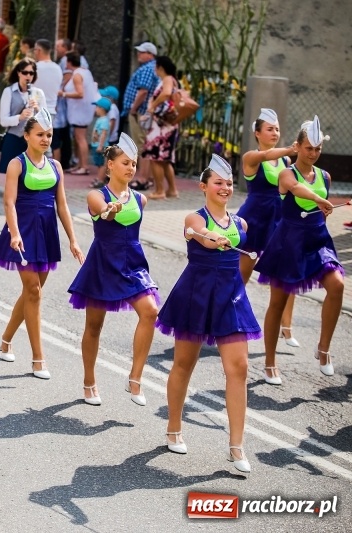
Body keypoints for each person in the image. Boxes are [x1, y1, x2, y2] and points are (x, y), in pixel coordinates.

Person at [157, 154, 257, 474]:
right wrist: (209, 237)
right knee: (184, 363)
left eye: (229, 183)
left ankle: (236, 446)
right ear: (203, 187)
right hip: (197, 293)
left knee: (239, 367)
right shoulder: (195, 217)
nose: (225, 187)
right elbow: (196, 233)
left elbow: (244, 256)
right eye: (218, 183)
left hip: (230, 296)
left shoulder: (240, 224)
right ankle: (174, 427)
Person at [68, 134, 158, 405]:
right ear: (110, 165)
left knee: (150, 311)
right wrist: (110, 210)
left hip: (133, 263)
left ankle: (135, 378)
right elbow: (104, 212)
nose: (131, 168)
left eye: (133, 163)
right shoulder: (96, 195)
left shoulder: (141, 200)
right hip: (104, 263)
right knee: (94, 326)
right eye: (125, 162)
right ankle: (89, 381)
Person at [0, 109, 83, 379]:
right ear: (27, 136)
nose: (45, 139)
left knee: (32, 292)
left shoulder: (56, 166)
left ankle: (6, 340)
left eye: (49, 135)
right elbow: (9, 202)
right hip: (23, 231)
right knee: (33, 290)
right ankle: (38, 358)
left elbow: (62, 205)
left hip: (46, 232)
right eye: (40, 134)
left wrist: (73, 239)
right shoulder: (17, 164)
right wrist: (14, 232)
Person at [254, 116, 342, 382]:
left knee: (337, 285)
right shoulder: (286, 174)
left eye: (317, 149)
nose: (313, 153)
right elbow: (295, 189)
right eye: (308, 148)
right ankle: (270, 362)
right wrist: (318, 198)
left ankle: (323, 348)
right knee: (277, 303)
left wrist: (322, 208)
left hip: (317, 240)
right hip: (288, 242)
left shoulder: (325, 176)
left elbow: (321, 212)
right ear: (298, 147)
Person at [236, 108, 301, 368]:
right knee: (241, 275)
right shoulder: (252, 157)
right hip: (255, 220)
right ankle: (226, 319)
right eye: (269, 129)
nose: (274, 133)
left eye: (277, 129)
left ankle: (287, 327)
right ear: (257, 133)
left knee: (286, 273)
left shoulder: (285, 161)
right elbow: (266, 155)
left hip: (279, 220)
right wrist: (291, 149)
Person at [0, 58, 46, 174]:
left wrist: (37, 109)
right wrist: (19, 117)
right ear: (19, 73)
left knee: (31, 175)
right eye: (25, 72)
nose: (28, 76)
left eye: (31, 73)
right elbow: (3, 121)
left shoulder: (38, 93)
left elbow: (46, 121)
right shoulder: (8, 91)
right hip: (13, 138)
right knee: (12, 176)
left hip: (32, 140)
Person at [140, 55, 179, 199]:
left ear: (160, 67)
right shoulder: (172, 80)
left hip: (161, 126)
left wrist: (153, 105)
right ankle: (172, 190)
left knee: (155, 157)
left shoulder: (167, 79)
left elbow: (166, 93)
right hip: (168, 125)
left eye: (156, 67)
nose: (154, 70)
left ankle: (159, 190)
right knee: (165, 159)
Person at [124, 42, 158, 191]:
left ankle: (143, 178)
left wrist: (133, 109)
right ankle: (148, 178)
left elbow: (143, 91)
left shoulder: (147, 69)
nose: (139, 54)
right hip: (144, 111)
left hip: (141, 112)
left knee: (142, 145)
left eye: (142, 52)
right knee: (145, 143)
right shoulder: (152, 68)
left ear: (150, 54)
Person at [60, 52, 97, 176]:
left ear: (69, 62)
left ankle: (84, 166)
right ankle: (80, 164)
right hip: (83, 110)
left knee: (80, 138)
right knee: (79, 138)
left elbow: (80, 93)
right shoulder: (85, 72)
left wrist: (63, 94)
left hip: (79, 112)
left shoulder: (77, 75)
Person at [32, 39, 62, 118]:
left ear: (39, 50)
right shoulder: (58, 68)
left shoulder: (34, 68)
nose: (34, 52)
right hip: (51, 111)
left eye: (34, 50)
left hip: (36, 111)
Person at [89, 98, 112, 182]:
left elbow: (103, 134)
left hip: (101, 146)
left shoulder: (104, 121)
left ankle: (101, 179)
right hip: (96, 145)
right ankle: (99, 177)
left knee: (102, 163)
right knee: (98, 163)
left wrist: (100, 145)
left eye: (97, 107)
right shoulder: (100, 119)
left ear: (102, 109)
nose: (95, 109)